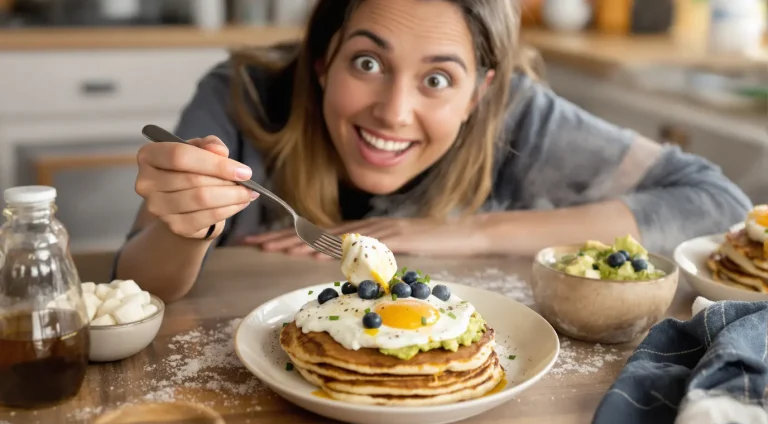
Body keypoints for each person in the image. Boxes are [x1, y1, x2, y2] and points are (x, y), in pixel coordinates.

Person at [114, 0, 752, 302]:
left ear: (481, 92)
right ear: (321, 58)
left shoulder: (521, 116)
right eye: (367, 62)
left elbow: (714, 201)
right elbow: (134, 284)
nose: (393, 111)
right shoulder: (240, 94)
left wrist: (467, 233)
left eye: (438, 79)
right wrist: (186, 220)